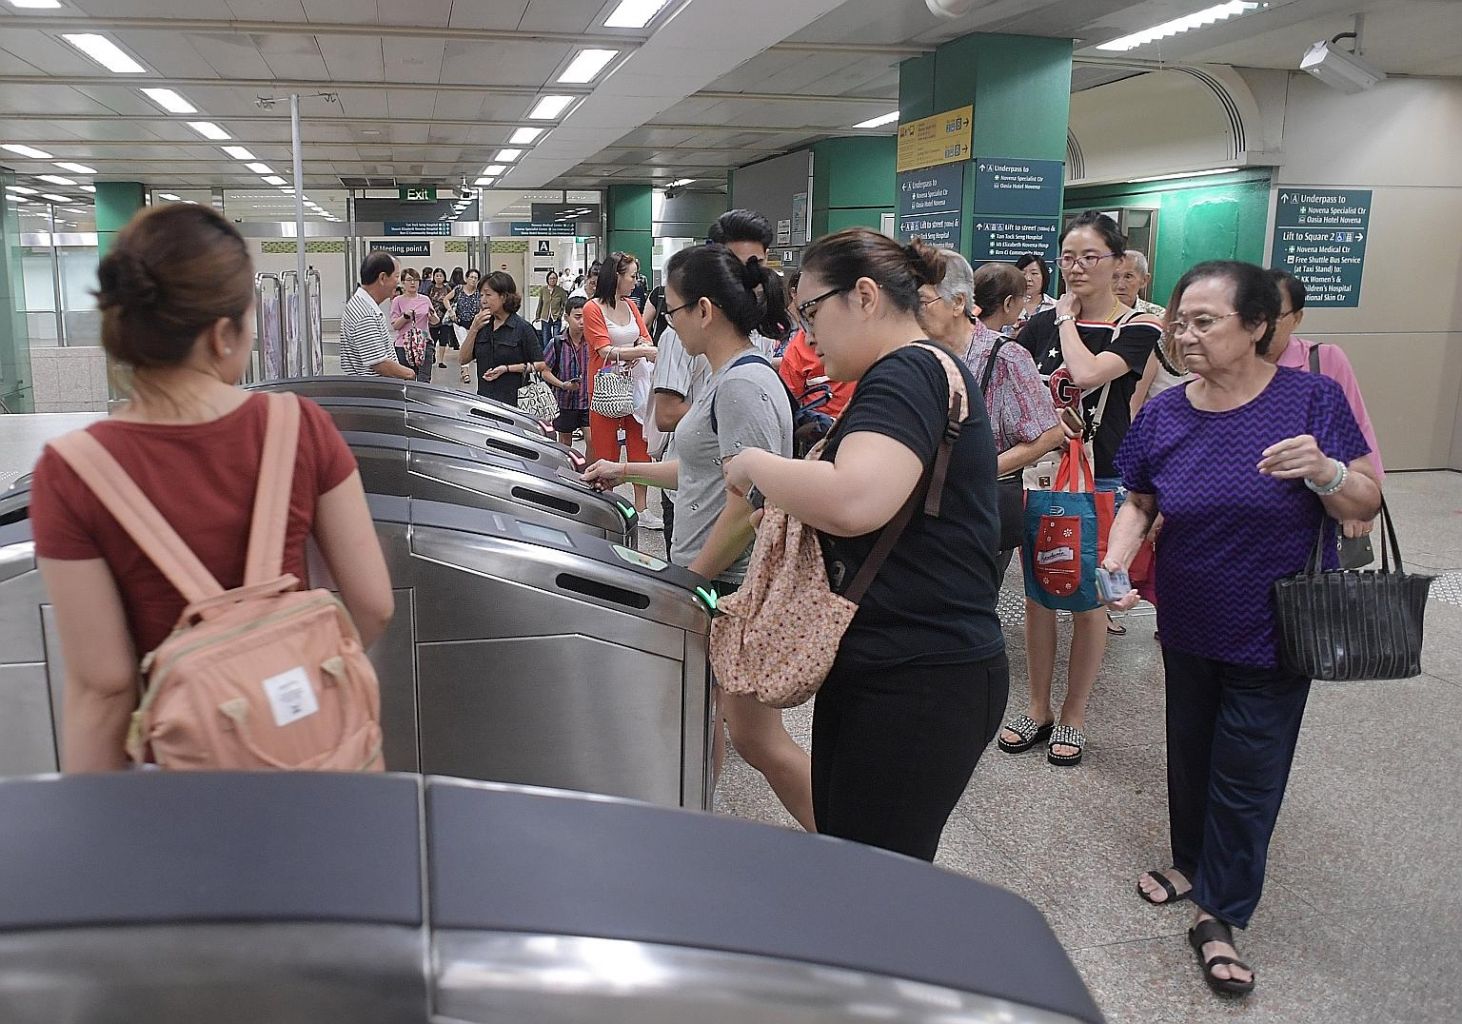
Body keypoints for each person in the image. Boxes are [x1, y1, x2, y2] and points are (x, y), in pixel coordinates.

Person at [26, 203, 395, 773]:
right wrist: (283, 680)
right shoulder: (300, 427)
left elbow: (104, 688)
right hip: (318, 773)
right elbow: (373, 605)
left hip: (182, 791)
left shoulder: (70, 470)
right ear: (223, 334)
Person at [1103, 260, 1380, 997]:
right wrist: (1117, 560)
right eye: (1180, 322)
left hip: (1278, 624)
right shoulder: (1163, 411)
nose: (1185, 336)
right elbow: (1139, 499)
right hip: (1190, 616)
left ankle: (1218, 914)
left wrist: (1324, 472)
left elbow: (1367, 498)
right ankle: (1190, 858)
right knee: (1190, 748)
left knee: (1248, 769)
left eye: (1205, 322)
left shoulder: (1311, 399)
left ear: (1257, 327)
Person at [723, 230, 1007, 862]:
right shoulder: (917, 370)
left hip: (920, 676)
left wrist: (753, 463)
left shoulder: (907, 370)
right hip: (898, 665)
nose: (807, 335)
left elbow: (855, 499)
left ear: (866, 296)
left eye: (812, 312)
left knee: (880, 879)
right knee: (861, 858)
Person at [584, 243, 812, 832]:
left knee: (758, 741)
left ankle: (855, 845)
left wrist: (692, 580)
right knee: (700, 718)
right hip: (713, 577)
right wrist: (625, 470)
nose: (668, 321)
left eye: (673, 308)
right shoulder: (723, 380)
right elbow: (706, 471)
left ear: (705, 310)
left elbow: (750, 503)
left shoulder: (741, 386)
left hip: (728, 585)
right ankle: (695, 826)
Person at [1002, 212, 1162, 767]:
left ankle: (1074, 714)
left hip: (1105, 477)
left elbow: (1091, 375)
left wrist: (1065, 318)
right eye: (1067, 258)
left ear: (1119, 263)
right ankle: (1038, 707)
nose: (1074, 268)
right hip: (1042, 474)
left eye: (1089, 257)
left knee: (1090, 599)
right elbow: (1015, 377)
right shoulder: (1039, 326)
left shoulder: (1139, 327)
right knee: (1040, 593)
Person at [916, 254, 1063, 577]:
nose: (914, 311)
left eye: (923, 301)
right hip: (923, 507)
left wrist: (980, 469)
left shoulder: (1007, 356)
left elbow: (1049, 434)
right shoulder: (919, 353)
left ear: (958, 303)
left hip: (977, 507)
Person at [583, 252, 659, 527]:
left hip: (635, 386)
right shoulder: (593, 308)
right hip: (606, 387)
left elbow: (645, 336)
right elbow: (603, 348)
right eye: (632, 276)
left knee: (640, 445)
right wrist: (638, 351)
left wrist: (636, 351)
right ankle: (609, 504)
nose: (635, 282)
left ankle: (642, 507)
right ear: (616, 276)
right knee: (606, 448)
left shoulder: (630, 305)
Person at [459, 271, 567, 406]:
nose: (483, 300)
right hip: (484, 402)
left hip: (515, 404)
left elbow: (540, 365)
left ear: (504, 297)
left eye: (488, 294)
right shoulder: (482, 325)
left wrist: (507, 368)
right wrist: (474, 328)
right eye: (481, 295)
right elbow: (463, 359)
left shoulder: (523, 328)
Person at [707, 209, 784, 367]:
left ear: (766, 257)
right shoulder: (692, 322)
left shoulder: (765, 320)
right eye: (735, 265)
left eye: (755, 264)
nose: (748, 276)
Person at [1122, 250, 1191, 413]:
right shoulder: (1094, 317)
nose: (1120, 284)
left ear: (1144, 280)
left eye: (1128, 276)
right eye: (1114, 276)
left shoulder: (1157, 319)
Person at [341, 251, 415, 379]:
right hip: (375, 392)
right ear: (382, 278)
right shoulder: (364, 314)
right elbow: (380, 364)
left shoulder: (363, 304)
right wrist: (410, 374)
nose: (398, 283)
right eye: (396, 276)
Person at [543, 296, 592, 448]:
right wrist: (562, 385)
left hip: (588, 401)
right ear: (566, 317)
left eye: (585, 317)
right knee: (565, 442)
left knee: (592, 441)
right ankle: (565, 470)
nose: (582, 321)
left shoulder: (592, 342)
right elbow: (544, 371)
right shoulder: (557, 343)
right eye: (577, 317)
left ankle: (587, 471)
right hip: (564, 401)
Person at [388, 267, 436, 383]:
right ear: (403, 282)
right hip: (403, 344)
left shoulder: (425, 299)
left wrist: (431, 316)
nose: (413, 283)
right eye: (409, 280)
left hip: (424, 342)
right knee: (406, 379)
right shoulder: (398, 301)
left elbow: (435, 321)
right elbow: (395, 325)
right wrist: (405, 317)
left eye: (416, 280)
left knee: (424, 379)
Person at [1015, 252, 1057, 329]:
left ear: (1044, 277)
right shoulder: (1009, 305)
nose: (1028, 279)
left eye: (1034, 273)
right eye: (1023, 273)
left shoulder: (1056, 307)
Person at [534, 269, 569, 350]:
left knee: (556, 338)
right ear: (547, 279)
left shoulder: (561, 291)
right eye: (551, 278)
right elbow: (540, 303)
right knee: (546, 338)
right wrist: (537, 315)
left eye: (554, 278)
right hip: (545, 317)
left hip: (556, 317)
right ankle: (547, 356)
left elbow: (564, 304)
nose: (552, 280)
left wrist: (561, 314)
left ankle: (556, 355)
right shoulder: (543, 290)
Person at [429, 283, 457, 372]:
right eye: (437, 275)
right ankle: (432, 355)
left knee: (443, 340)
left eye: (440, 275)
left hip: (445, 318)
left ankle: (441, 360)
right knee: (432, 339)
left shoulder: (447, 288)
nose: (439, 278)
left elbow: (451, 300)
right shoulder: (431, 288)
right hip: (433, 317)